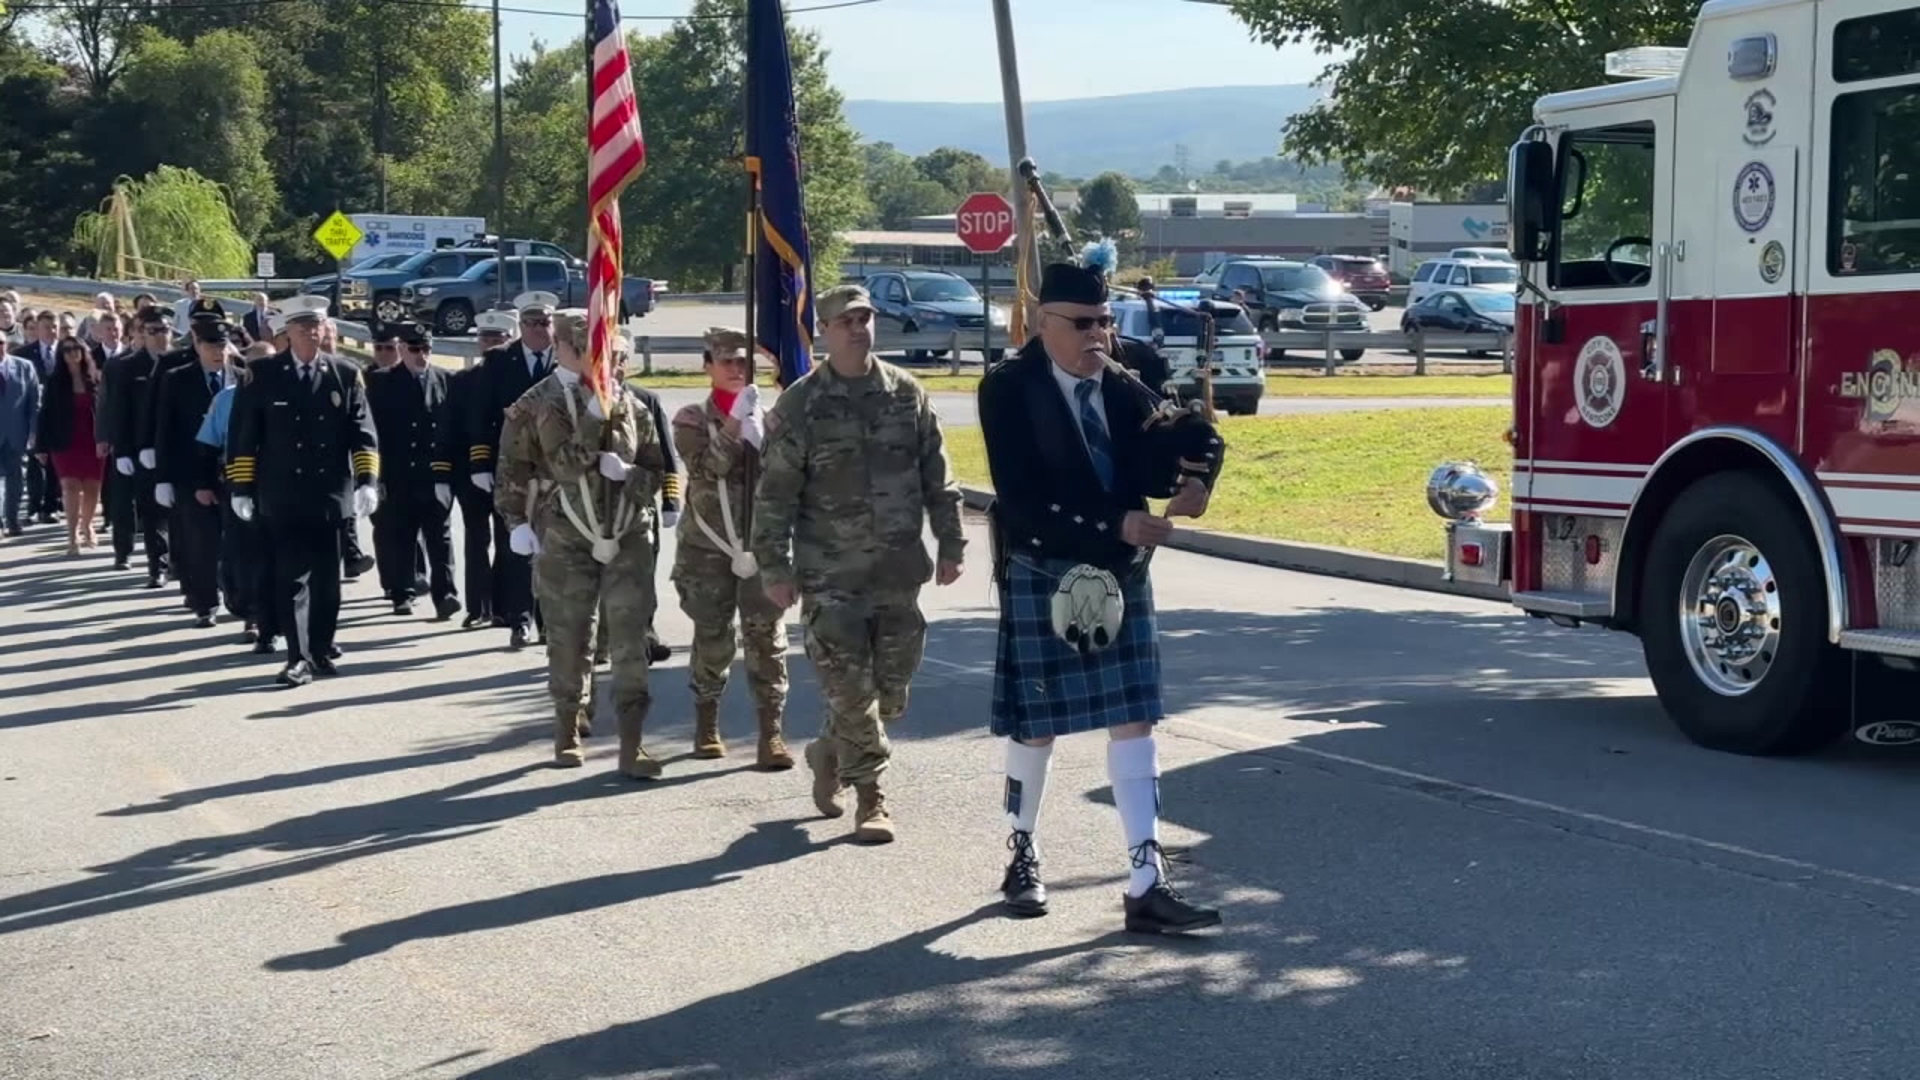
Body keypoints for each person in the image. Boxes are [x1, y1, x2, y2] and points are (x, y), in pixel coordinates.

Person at [976, 257, 1225, 934]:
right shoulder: (1008, 388)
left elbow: (1198, 434)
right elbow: (1021, 499)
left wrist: (1200, 482)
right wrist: (1113, 522)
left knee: (1135, 718)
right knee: (1038, 721)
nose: (1099, 337)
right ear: (1044, 323)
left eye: (1106, 322)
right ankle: (1021, 853)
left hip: (1120, 568)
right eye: (1083, 324)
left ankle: (1145, 879)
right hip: (1044, 563)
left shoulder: (1127, 376)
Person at [750, 284, 967, 845]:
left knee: (888, 695)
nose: (857, 328)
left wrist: (951, 542)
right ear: (824, 329)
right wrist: (775, 567)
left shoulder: (906, 393)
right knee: (851, 692)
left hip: (898, 574)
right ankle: (871, 799)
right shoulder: (801, 404)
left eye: (864, 317)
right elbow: (774, 496)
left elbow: (937, 477)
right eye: (844, 320)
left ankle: (829, 749)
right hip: (830, 581)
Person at [493, 309, 669, 775]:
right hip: (565, 533)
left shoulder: (631, 405)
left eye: (610, 352)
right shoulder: (536, 402)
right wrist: (516, 523)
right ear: (568, 348)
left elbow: (656, 471)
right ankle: (568, 726)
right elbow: (519, 468)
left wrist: (632, 476)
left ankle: (633, 742)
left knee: (631, 637)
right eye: (595, 350)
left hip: (628, 531)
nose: (606, 361)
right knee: (571, 636)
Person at [226, 294, 382, 688]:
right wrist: (241, 486)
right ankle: (297, 658)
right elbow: (244, 436)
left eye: (317, 327)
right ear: (287, 333)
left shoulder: (344, 374)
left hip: (330, 494)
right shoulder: (262, 375)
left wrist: (366, 481)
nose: (312, 334)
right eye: (303, 327)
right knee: (291, 578)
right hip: (282, 494)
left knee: (328, 581)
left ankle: (321, 647)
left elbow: (362, 434)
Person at [670, 327, 791, 769]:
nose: (737, 369)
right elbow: (708, 468)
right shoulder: (689, 418)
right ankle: (706, 725)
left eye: (744, 362)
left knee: (767, 640)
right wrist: (736, 424)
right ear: (708, 367)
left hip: (761, 546)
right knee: (713, 637)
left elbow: (788, 478)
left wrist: (764, 435)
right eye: (727, 362)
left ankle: (771, 735)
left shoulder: (772, 419)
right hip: (708, 548)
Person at [468, 292, 559, 650]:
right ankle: (518, 619)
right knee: (513, 548)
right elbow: (482, 414)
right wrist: (480, 462)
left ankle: (548, 622)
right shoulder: (499, 361)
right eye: (532, 323)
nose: (539, 330)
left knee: (554, 549)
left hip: (554, 471)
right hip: (513, 469)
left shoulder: (567, 359)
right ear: (520, 326)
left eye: (545, 323)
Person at [153, 313, 239, 628]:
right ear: (198, 345)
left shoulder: (243, 377)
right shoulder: (177, 379)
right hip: (190, 472)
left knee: (238, 542)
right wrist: (162, 477)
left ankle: (240, 599)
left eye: (223, 345)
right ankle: (205, 603)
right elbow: (165, 430)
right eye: (211, 345)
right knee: (201, 543)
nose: (218, 352)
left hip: (235, 473)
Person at [369, 321, 459, 619]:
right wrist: (374, 477)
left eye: (427, 349)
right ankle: (401, 592)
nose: (422, 355)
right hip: (398, 473)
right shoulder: (382, 382)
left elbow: (451, 429)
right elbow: (374, 433)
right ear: (402, 350)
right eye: (415, 349)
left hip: (435, 472)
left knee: (440, 536)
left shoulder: (445, 379)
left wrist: (449, 472)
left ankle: (445, 593)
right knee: (401, 535)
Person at [198, 341, 278, 649]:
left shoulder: (289, 396)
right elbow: (208, 446)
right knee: (245, 556)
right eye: (255, 366)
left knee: (281, 555)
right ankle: (253, 617)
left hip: (280, 486)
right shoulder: (226, 399)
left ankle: (280, 619)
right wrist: (203, 484)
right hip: (240, 484)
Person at [443, 310, 516, 628]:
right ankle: (477, 607)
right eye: (485, 338)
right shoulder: (463, 380)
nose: (489, 344)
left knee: (506, 539)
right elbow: (448, 427)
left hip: (507, 469)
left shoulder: (515, 377)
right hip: (469, 471)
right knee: (476, 538)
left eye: (497, 339)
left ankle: (503, 606)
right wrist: (443, 471)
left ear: (508, 341)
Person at [104, 307, 172, 583]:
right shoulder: (127, 366)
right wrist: (122, 451)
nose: (159, 336)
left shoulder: (182, 362)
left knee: (181, 515)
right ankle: (157, 566)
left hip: (176, 450)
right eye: (153, 331)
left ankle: (178, 561)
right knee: (151, 511)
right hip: (141, 451)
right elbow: (119, 412)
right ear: (142, 334)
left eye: (164, 330)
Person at [33, 336, 106, 553]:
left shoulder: (96, 378)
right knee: (70, 486)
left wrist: (108, 437)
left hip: (93, 441)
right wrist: (41, 447)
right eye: (67, 350)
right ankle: (72, 534)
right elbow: (44, 414)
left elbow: (106, 410)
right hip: (64, 441)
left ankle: (87, 524)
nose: (72, 353)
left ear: (84, 352)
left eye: (77, 348)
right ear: (61, 355)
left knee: (93, 488)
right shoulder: (55, 381)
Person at [0, 344, 39, 538]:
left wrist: (33, 431)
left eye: (1, 343)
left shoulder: (24, 367)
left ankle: (12, 519)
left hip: (16, 434)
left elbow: (34, 402)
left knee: (15, 480)